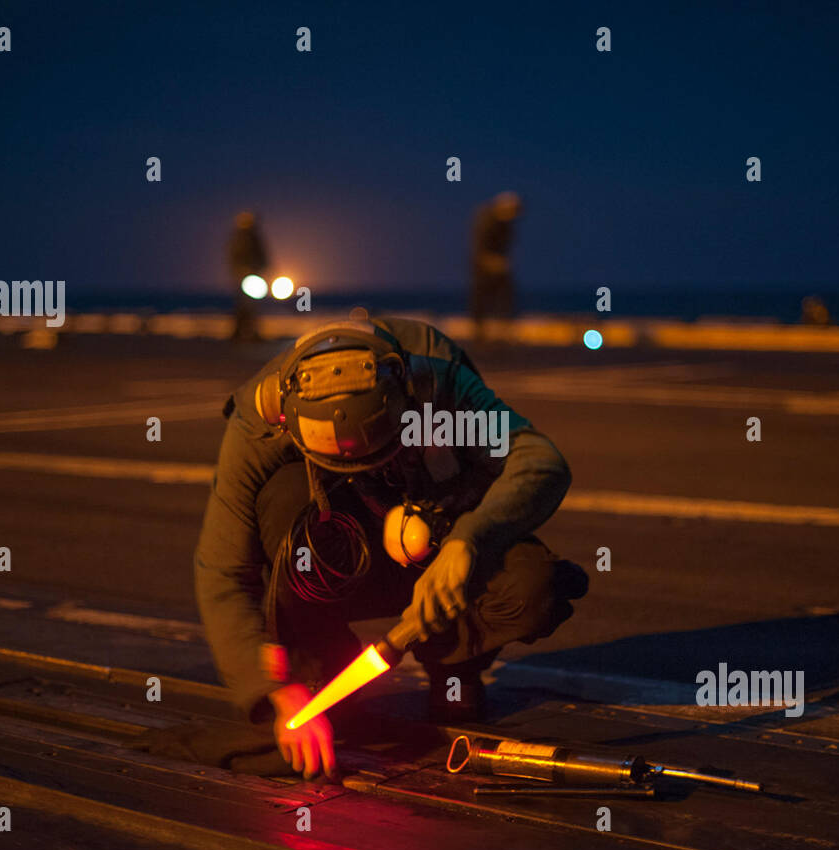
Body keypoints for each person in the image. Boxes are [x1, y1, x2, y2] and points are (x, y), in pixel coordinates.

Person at [193, 315, 587, 780]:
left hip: (438, 531)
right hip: (341, 549)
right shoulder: (261, 417)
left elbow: (540, 461)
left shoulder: (438, 376)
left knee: (530, 585)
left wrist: (467, 540)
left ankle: (453, 663)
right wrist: (276, 690)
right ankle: (320, 663)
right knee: (283, 502)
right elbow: (221, 569)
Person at [469, 192, 522, 339]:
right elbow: (479, 246)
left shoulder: (506, 223)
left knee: (504, 297)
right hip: (482, 266)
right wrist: (492, 261)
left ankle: (503, 327)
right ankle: (479, 331)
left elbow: (505, 245)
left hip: (499, 265)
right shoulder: (487, 220)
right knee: (481, 297)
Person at [227, 211, 268, 342]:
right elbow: (234, 258)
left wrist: (262, 269)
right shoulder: (239, 238)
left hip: (253, 276)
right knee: (245, 305)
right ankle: (240, 333)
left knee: (250, 306)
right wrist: (241, 272)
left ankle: (248, 333)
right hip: (245, 277)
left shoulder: (254, 237)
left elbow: (263, 257)